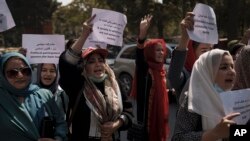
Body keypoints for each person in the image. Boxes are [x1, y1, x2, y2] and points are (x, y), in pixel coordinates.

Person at [58, 15, 133, 141]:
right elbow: (66, 64)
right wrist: (84, 36)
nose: (98, 64)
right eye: (92, 61)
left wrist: (116, 124)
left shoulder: (114, 83)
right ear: (84, 66)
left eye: (101, 60)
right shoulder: (77, 84)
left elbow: (129, 113)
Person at [171, 49, 240, 141]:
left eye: (232, 67)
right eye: (224, 67)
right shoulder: (193, 102)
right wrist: (214, 134)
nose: (232, 72)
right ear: (208, 72)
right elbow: (178, 138)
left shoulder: (237, 99)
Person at [0, 52, 67, 141]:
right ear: (3, 75)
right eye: (12, 73)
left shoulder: (44, 94)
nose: (20, 76)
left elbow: (60, 123)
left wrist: (58, 139)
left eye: (25, 71)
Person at [129, 14, 170, 141]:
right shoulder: (144, 69)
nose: (161, 53)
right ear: (150, 52)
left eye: (162, 50)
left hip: (160, 117)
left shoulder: (161, 70)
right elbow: (139, 55)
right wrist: (142, 34)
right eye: (157, 50)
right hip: (147, 119)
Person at [168, 12, 213, 106]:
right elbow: (174, 79)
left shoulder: (214, 72)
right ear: (192, 53)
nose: (208, 55)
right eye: (204, 51)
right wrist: (185, 37)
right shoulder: (186, 73)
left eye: (211, 50)